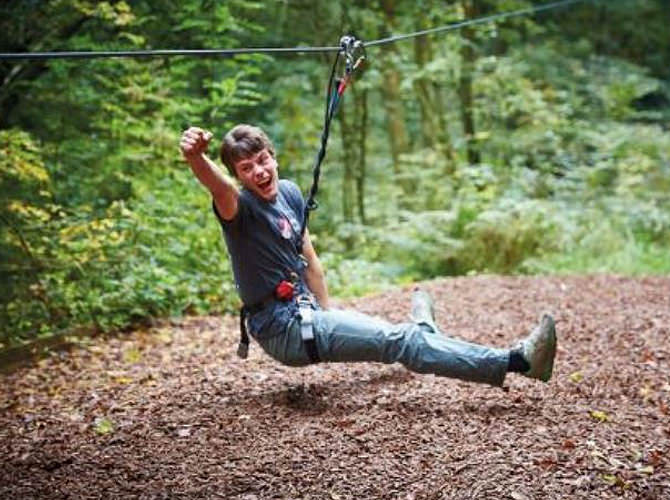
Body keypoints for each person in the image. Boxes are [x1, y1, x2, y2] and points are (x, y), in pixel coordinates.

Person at [179, 124, 556, 388]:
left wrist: (326, 315)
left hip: (305, 315)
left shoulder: (290, 193)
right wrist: (196, 156)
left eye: (263, 160)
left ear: (274, 157)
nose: (259, 172)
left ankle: (425, 332)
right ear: (238, 176)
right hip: (283, 330)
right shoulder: (239, 208)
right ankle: (518, 361)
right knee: (399, 340)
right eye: (246, 168)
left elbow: (310, 259)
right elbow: (218, 187)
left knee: (394, 339)